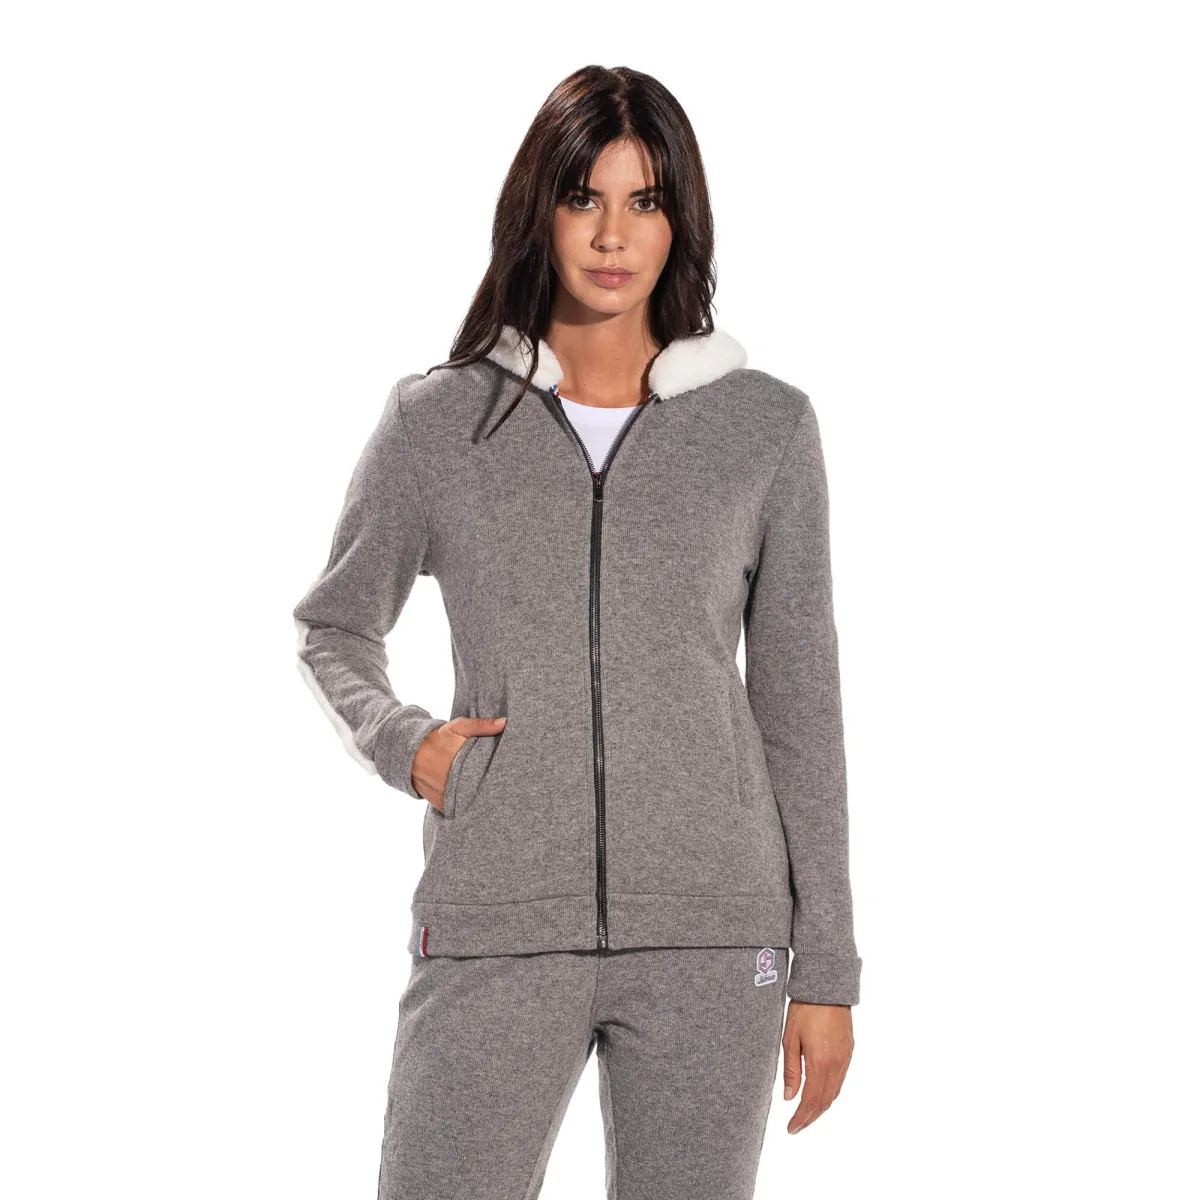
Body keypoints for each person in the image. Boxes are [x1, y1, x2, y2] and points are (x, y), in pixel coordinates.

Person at [292, 63, 863, 1200]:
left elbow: (800, 706)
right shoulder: (441, 421)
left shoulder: (763, 429)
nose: (612, 235)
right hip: (496, 919)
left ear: (679, 219)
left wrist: (829, 968)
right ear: (538, 211)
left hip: (714, 935)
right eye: (582, 198)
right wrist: (410, 743)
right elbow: (334, 628)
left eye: (644, 201)